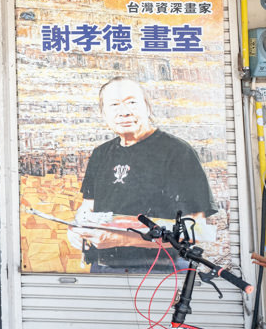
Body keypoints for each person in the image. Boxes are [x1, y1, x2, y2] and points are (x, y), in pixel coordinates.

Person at [69, 77, 218, 272]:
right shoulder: (101, 154)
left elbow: (195, 229)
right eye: (114, 105)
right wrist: (75, 228)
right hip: (103, 267)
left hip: (161, 270)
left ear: (147, 107)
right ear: (103, 113)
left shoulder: (178, 153)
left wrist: (121, 239)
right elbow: (88, 208)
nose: (124, 112)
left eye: (132, 102)